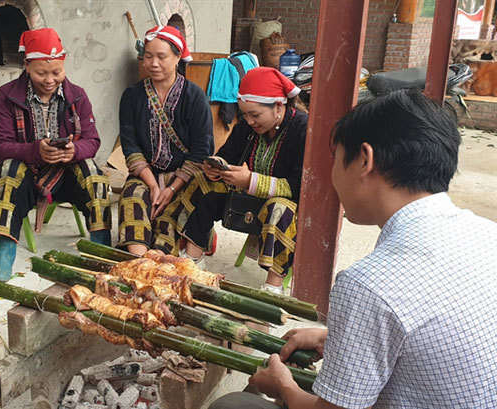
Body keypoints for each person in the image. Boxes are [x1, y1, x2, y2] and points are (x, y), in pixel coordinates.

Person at [209, 89, 497, 409]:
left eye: (335, 159)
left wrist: (284, 387)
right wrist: (335, 338)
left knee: (234, 403)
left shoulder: (369, 284)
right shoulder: (489, 235)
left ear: (364, 160)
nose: (332, 175)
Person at [158, 67, 307, 293]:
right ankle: (191, 260)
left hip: (284, 205)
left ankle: (273, 288)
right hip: (244, 199)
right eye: (244, 114)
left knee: (280, 208)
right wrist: (214, 166)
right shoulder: (246, 127)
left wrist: (251, 181)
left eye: (255, 115)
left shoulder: (303, 130)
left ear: (278, 107)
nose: (248, 121)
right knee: (201, 181)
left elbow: (301, 186)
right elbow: (226, 156)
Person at [0, 28, 111, 281]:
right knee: (9, 169)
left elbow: (92, 140)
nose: (50, 80)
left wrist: (75, 151)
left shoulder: (77, 96)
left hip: (65, 175)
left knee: (93, 173)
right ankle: (4, 256)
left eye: (57, 72)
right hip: (26, 178)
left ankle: (101, 252)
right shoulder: (6, 96)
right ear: (27, 66)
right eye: (42, 73)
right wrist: (35, 151)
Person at [118, 25, 214, 256]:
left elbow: (202, 150)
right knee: (132, 196)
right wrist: (152, 185)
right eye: (148, 56)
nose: (153, 63)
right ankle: (139, 261)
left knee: (171, 212)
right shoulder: (132, 96)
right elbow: (130, 145)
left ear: (177, 57)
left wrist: (171, 188)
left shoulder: (195, 97)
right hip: (146, 174)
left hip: (185, 177)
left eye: (162, 57)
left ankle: (163, 257)